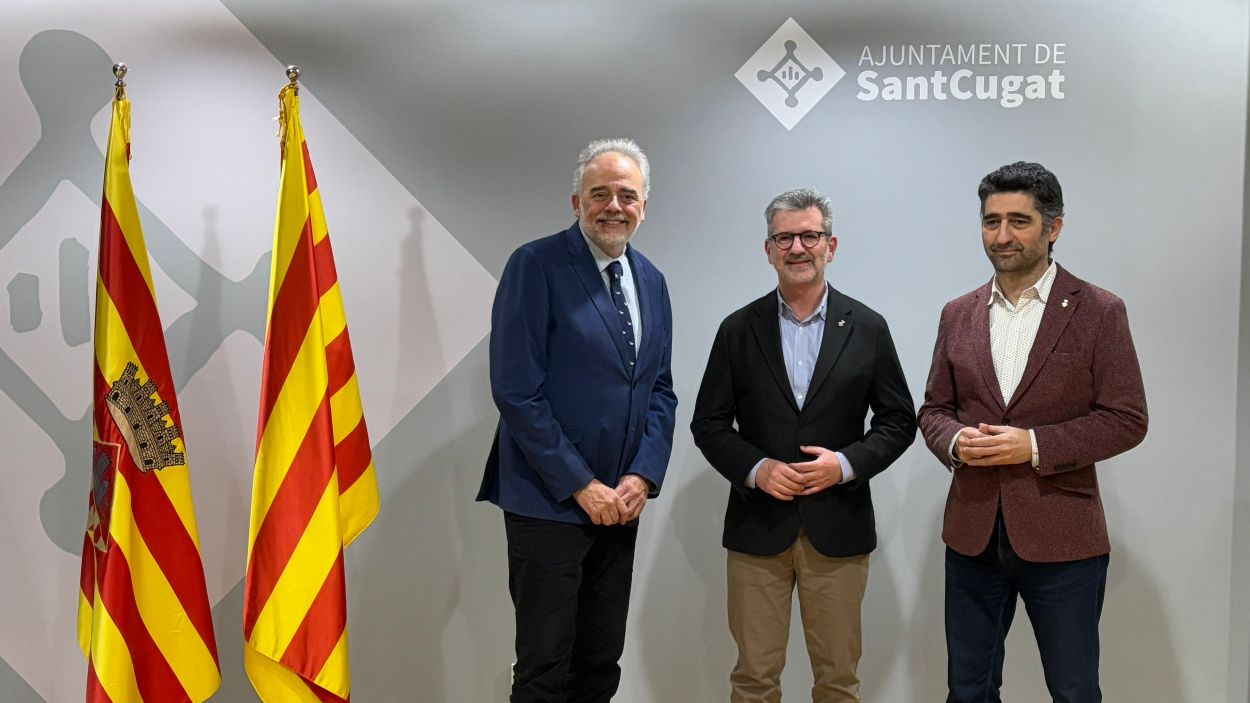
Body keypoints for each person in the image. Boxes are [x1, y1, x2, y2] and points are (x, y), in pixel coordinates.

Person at [916, 161, 1148, 702]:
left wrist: (1034, 445)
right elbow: (934, 410)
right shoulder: (958, 313)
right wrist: (954, 441)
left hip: (1063, 538)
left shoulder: (1099, 310)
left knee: (1073, 692)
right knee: (968, 691)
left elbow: (1127, 418)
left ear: (1054, 227)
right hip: (972, 537)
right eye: (991, 221)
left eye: (1019, 221)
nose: (1002, 236)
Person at [690, 187, 915, 702]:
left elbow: (899, 420)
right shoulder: (737, 329)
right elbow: (709, 423)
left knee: (838, 681)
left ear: (830, 246)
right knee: (753, 680)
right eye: (784, 238)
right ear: (767, 249)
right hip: (757, 528)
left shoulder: (868, 328)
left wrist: (844, 464)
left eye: (809, 236)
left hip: (837, 526)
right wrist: (756, 468)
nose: (797, 248)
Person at [478, 137, 677, 702]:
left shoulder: (652, 280)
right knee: (544, 667)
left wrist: (641, 478)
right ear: (575, 203)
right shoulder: (535, 264)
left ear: (644, 205)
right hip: (549, 501)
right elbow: (517, 391)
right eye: (600, 194)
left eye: (627, 195)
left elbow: (660, 390)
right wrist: (582, 485)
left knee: (599, 663)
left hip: (621, 505)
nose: (614, 206)